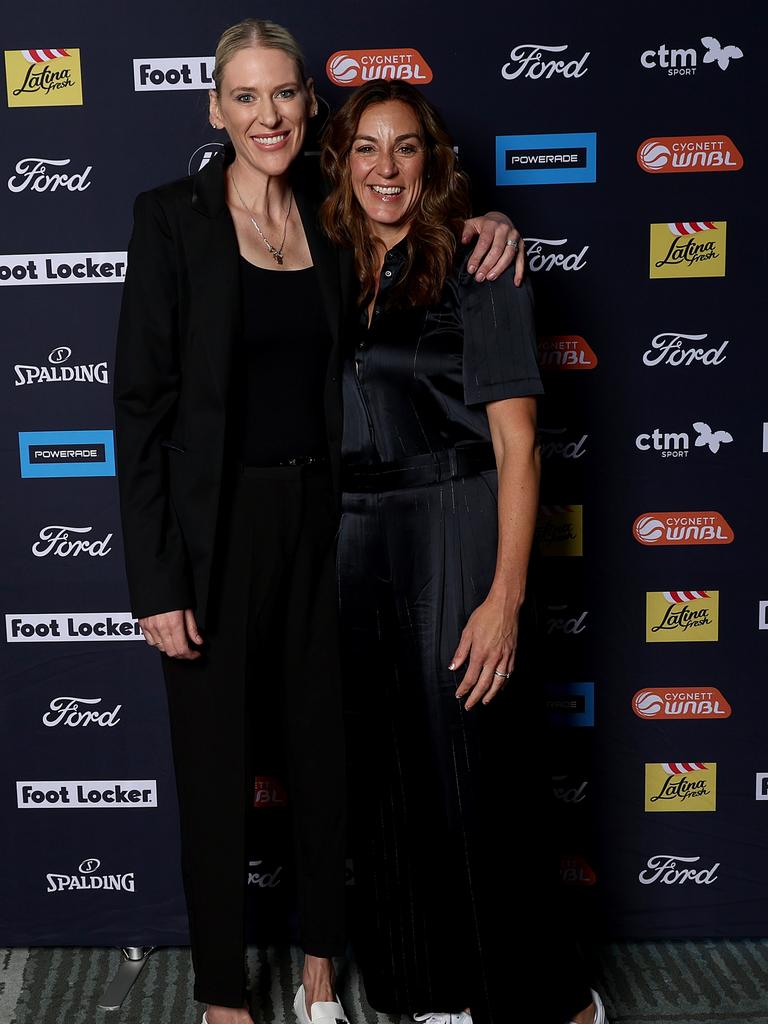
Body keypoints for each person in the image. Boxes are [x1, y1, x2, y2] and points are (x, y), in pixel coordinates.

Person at [113, 19, 523, 1024]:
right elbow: (139, 409)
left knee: (325, 759)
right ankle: (223, 997)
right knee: (214, 770)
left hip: (328, 520)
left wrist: (493, 225)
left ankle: (320, 970)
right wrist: (156, 582)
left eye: (284, 96)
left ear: (310, 108)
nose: (266, 115)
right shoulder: (171, 218)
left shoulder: (332, 221)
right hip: (217, 534)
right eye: (244, 97)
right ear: (216, 108)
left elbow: (417, 238)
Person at [322, 81, 608, 1024]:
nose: (386, 169)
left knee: (473, 773)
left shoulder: (478, 265)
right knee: (390, 779)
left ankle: (554, 999)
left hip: (455, 523)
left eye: (406, 149)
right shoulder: (330, 267)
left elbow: (520, 444)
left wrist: (505, 595)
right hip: (356, 543)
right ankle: (424, 991)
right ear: (343, 161)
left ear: (433, 161)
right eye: (367, 148)